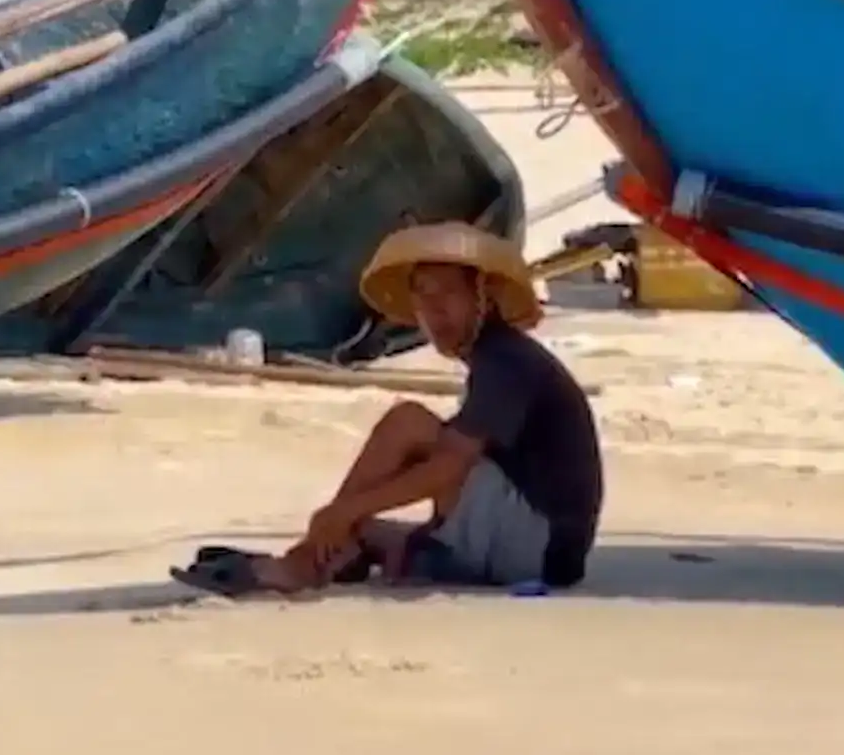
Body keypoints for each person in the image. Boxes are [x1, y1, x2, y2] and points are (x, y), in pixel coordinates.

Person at [172, 222, 604, 596]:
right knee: (363, 529)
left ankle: (304, 563)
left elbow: (449, 467)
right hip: (542, 548)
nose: (435, 310)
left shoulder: (505, 360)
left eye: (449, 292)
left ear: (483, 298)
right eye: (423, 296)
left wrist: (344, 510)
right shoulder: (495, 357)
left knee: (408, 423)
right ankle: (354, 552)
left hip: (540, 548)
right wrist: (352, 519)